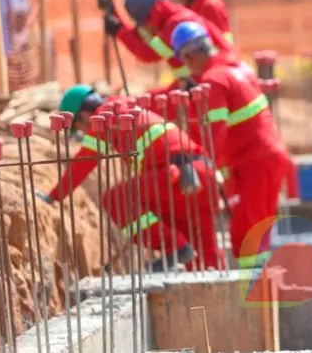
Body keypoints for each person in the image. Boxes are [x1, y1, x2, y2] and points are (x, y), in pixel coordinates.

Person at [38, 84, 223, 271]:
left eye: (78, 128)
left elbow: (84, 162)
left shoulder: (104, 117)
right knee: (202, 249)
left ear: (84, 116)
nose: (83, 133)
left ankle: (174, 246)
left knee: (116, 200)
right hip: (201, 172)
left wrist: (54, 196)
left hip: (174, 175)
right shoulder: (126, 106)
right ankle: (219, 292)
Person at [170, 21, 291, 270]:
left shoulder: (214, 80)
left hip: (256, 162)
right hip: (259, 160)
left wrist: (194, 163)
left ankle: (255, 301)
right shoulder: (236, 67)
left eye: (185, 61)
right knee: (255, 234)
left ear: (190, 56)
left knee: (247, 237)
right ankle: (261, 298)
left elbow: (213, 137)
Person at [99, 0, 236, 94]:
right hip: (202, 81)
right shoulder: (168, 18)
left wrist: (119, 32)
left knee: (150, 102)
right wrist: (113, 13)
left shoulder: (176, 24)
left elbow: (148, 53)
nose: (144, 28)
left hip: (212, 83)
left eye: (143, 22)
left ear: (148, 15)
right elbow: (141, 36)